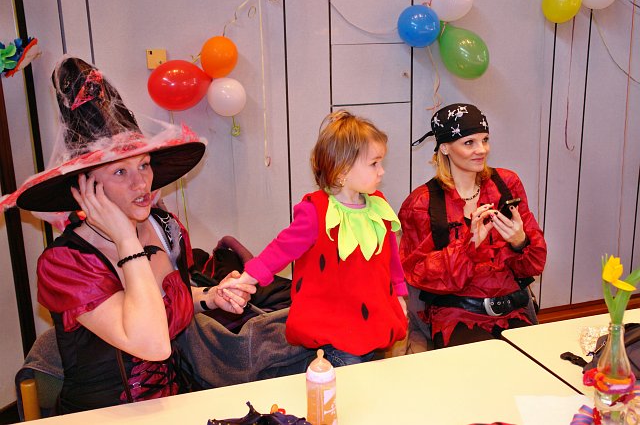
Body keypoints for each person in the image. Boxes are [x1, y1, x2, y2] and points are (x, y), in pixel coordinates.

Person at [0, 57, 255, 413]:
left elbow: (168, 299)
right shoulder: (64, 264)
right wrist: (125, 240)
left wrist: (209, 297)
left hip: (176, 406)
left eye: (144, 165)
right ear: (84, 187)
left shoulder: (165, 228)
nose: (141, 183)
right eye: (120, 171)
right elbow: (152, 343)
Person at [230, 110, 408, 367]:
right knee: (349, 385)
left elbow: (391, 257)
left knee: (371, 379)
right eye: (374, 164)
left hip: (375, 322)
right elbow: (280, 250)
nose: (381, 171)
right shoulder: (316, 210)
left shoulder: (378, 204)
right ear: (343, 169)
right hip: (335, 330)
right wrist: (245, 280)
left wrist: (399, 295)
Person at [399, 103, 546, 349]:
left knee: (535, 364)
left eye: (485, 140)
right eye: (469, 143)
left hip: (513, 309)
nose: (482, 150)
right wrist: (468, 247)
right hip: (458, 316)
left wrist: (520, 242)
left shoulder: (506, 184)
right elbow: (418, 274)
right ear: (445, 147)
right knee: (482, 368)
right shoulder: (422, 203)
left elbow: (534, 265)